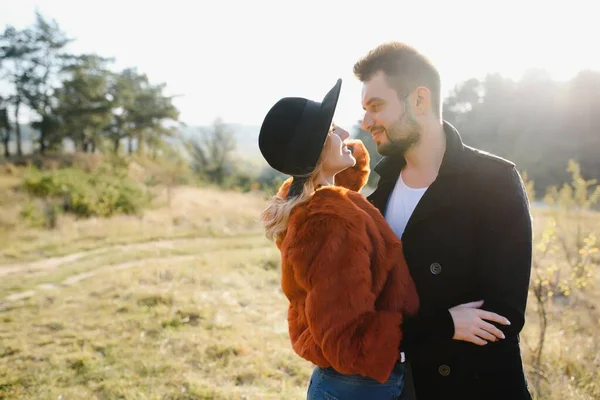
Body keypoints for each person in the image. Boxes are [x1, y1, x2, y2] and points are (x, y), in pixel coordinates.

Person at [353, 42, 534, 400]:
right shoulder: (378, 194)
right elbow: (367, 315)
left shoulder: (493, 181)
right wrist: (446, 325)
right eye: (364, 109)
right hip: (399, 386)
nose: (366, 121)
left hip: (476, 387)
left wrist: (405, 333)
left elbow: (503, 315)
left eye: (376, 106)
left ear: (419, 100)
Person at [258, 79, 420, 400]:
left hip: (345, 385)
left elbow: (343, 184)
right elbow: (346, 339)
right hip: (359, 388)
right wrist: (445, 327)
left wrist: (347, 155)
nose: (346, 134)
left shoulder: (310, 203)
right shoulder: (328, 220)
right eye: (333, 131)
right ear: (315, 152)